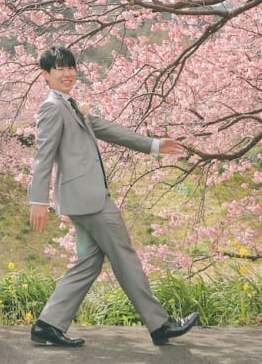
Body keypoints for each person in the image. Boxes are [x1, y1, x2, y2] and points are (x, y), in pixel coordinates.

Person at [27, 45, 200, 347]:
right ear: (46, 74)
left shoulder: (69, 104)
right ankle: (160, 325)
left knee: (89, 263)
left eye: (71, 67)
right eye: (60, 68)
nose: (68, 73)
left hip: (85, 198)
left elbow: (108, 130)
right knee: (124, 257)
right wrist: (38, 200)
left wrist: (155, 145)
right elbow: (43, 157)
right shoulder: (53, 107)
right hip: (89, 200)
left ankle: (47, 325)